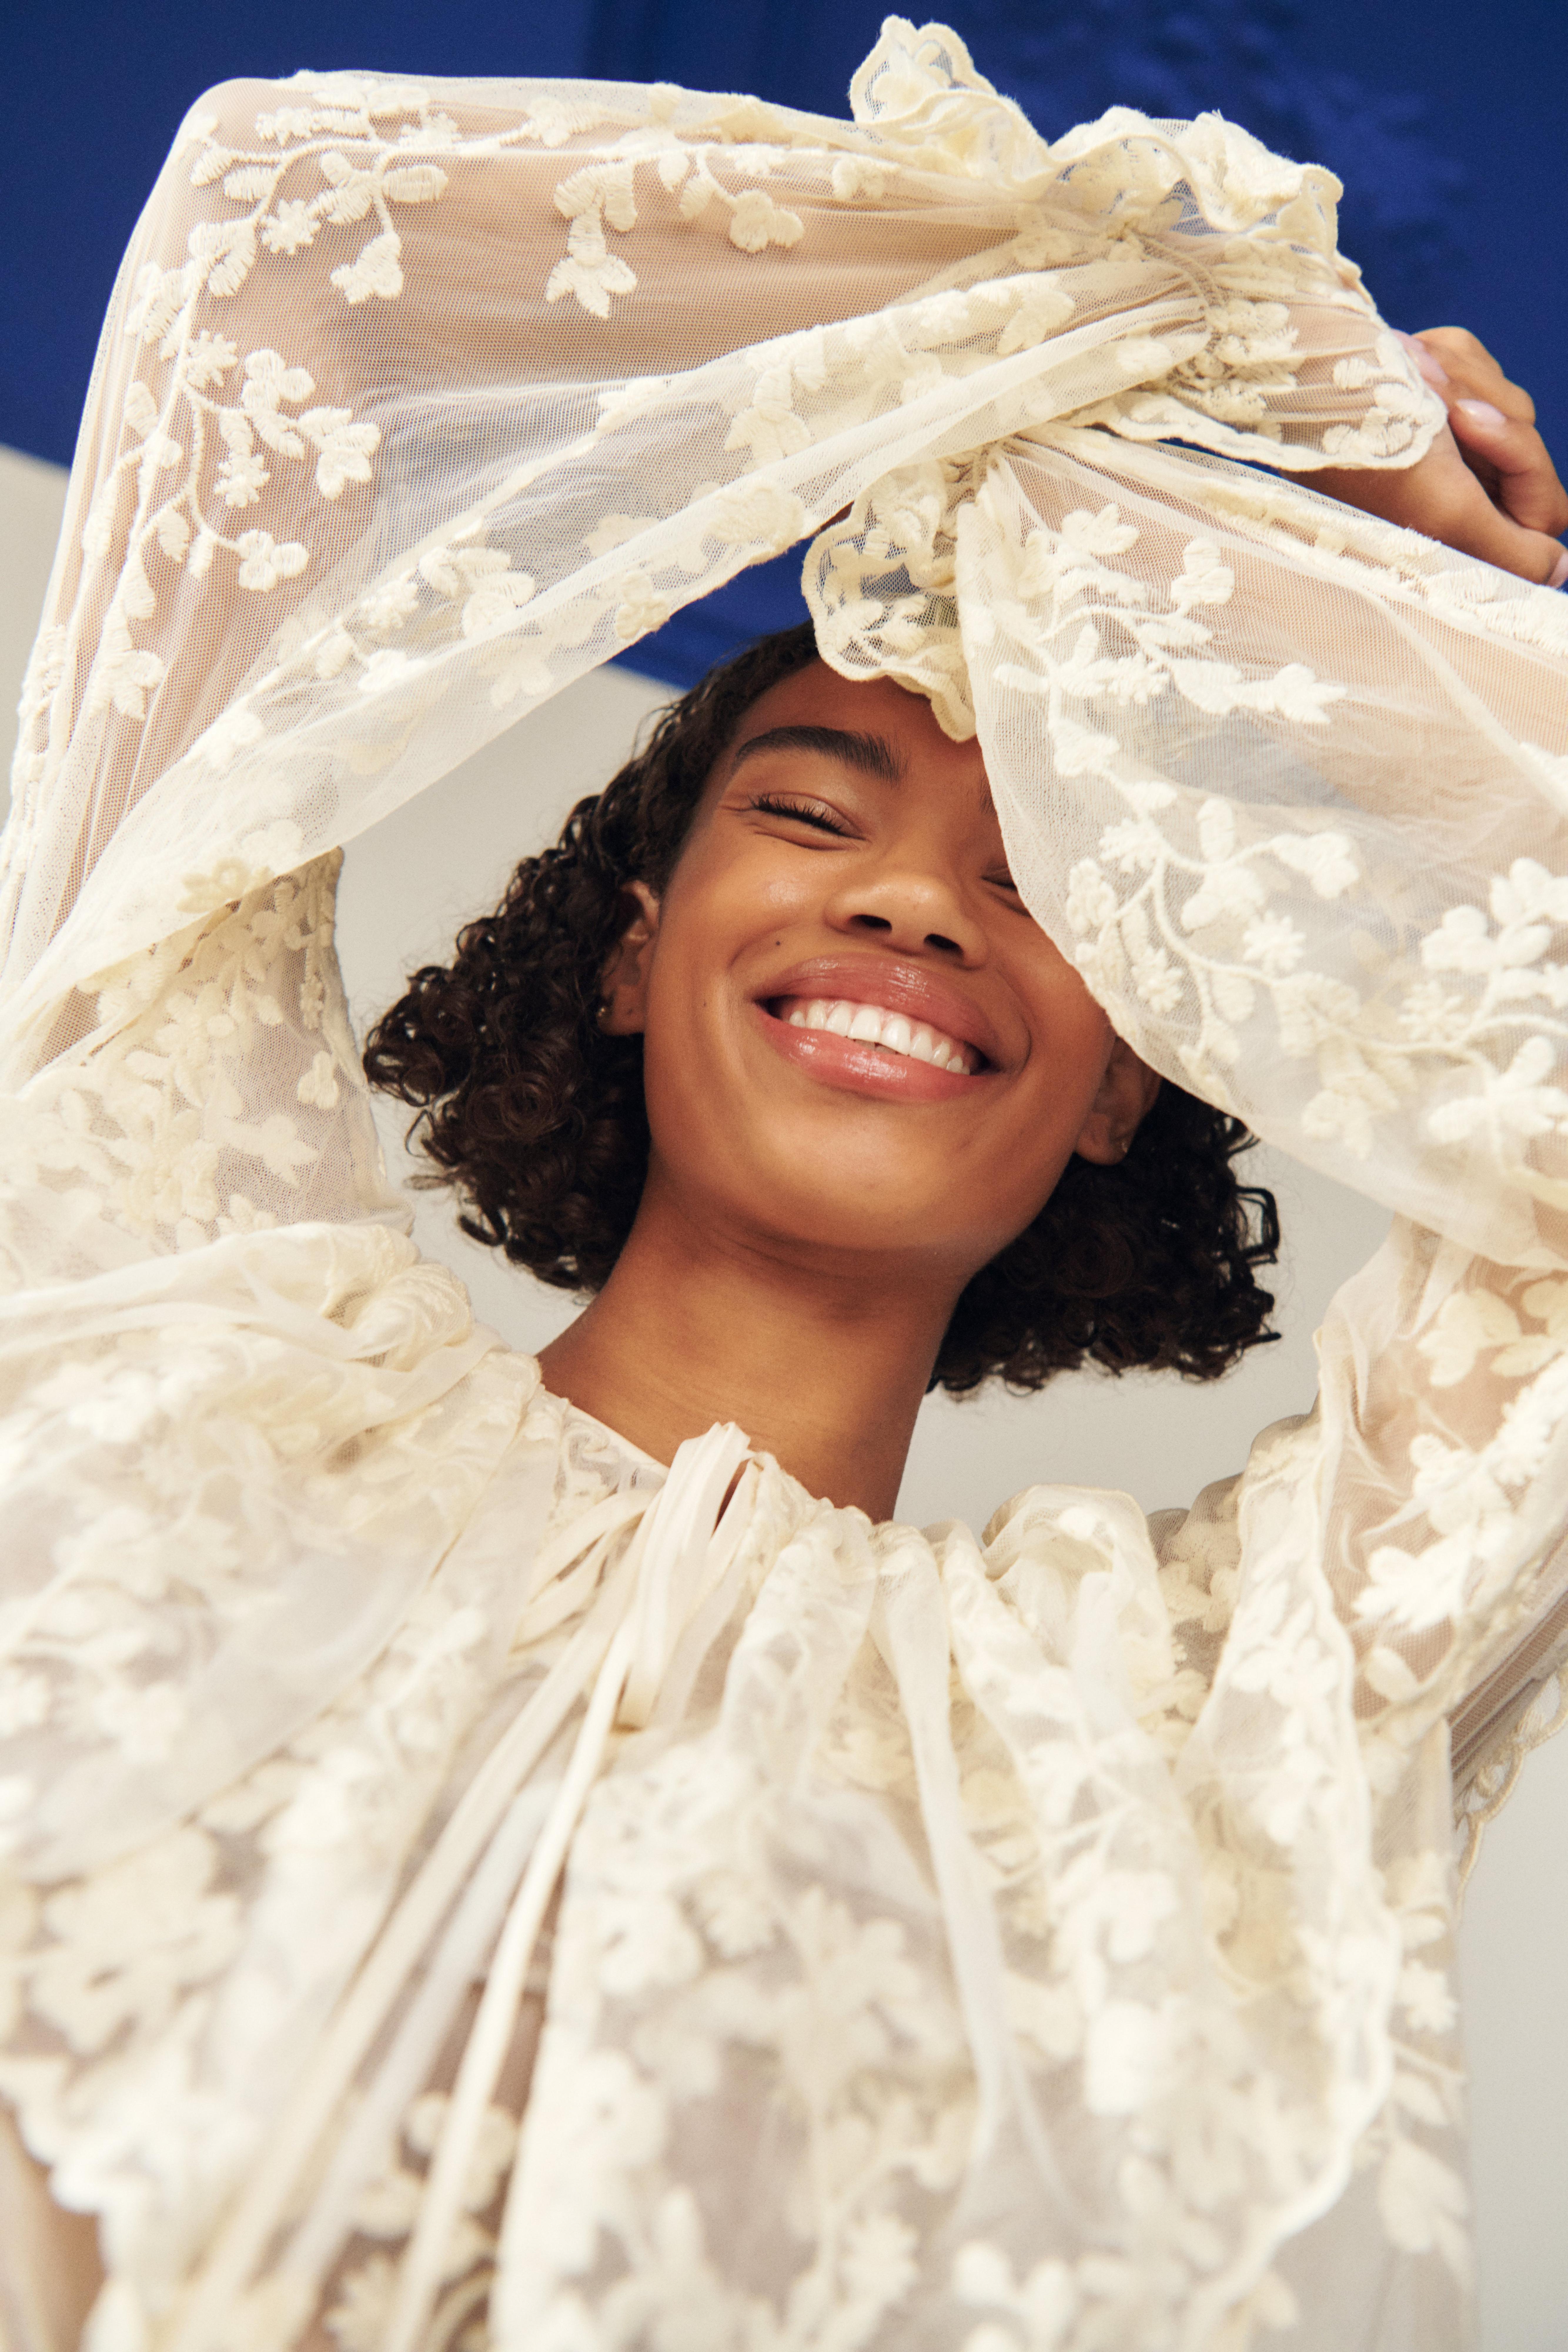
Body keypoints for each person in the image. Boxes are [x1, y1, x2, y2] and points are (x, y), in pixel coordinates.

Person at [3, 22, 1568, 2351]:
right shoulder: (188, 1357)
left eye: (1045, 877)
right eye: (813, 812)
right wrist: (1169, 322)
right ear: (635, 951)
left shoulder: (1193, 1739)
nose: (919, 909)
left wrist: (1393, 606)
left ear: (1136, 1071)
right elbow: (279, 244)